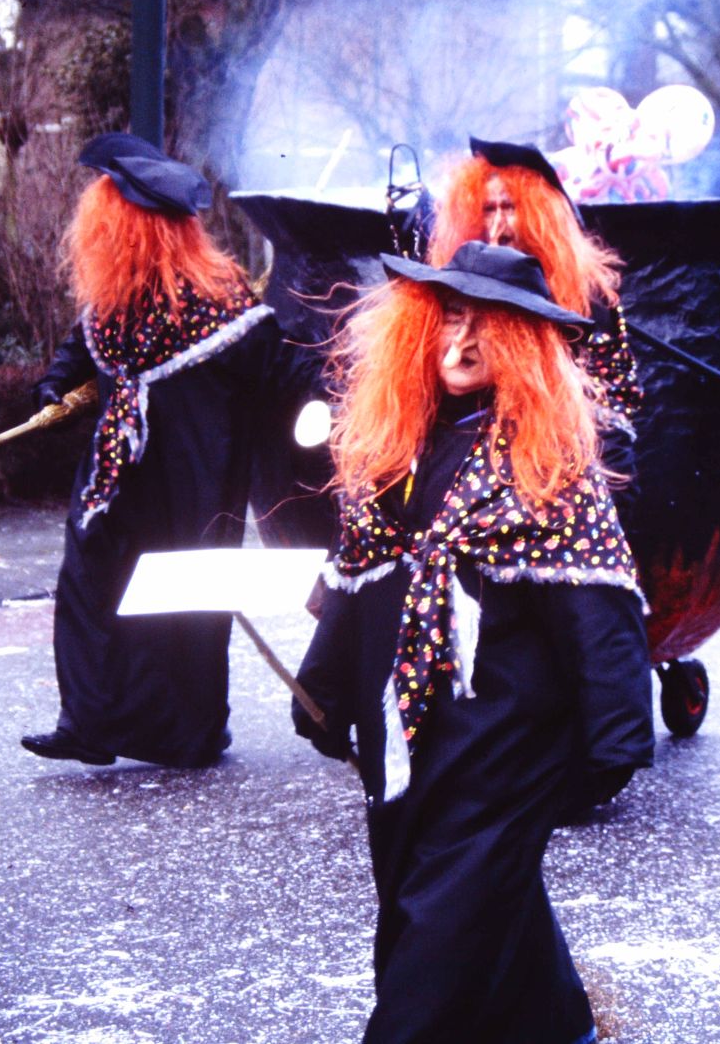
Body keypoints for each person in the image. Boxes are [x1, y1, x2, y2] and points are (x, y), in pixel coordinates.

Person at [293, 241, 654, 1043]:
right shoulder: (396, 444)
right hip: (406, 732)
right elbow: (358, 577)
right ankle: (556, 1025)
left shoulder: (546, 463)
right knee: (434, 896)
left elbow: (598, 603)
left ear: (521, 345)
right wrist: (322, 691)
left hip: (504, 740)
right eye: (449, 319)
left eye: (485, 327)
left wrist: (616, 739)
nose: (459, 343)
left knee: (441, 929)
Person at [22, 133, 317, 769]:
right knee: (88, 581)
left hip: (192, 482)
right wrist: (52, 388)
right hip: (115, 476)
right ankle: (88, 721)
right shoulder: (112, 301)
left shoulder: (221, 306)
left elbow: (278, 369)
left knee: (182, 604)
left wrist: (324, 397)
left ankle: (192, 733)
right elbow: (79, 350)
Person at [428, 138, 642, 500]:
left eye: (509, 207)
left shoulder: (587, 296)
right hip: (472, 462)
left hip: (561, 462)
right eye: (487, 209)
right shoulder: (457, 287)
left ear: (540, 215)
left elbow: (611, 408)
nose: (498, 225)